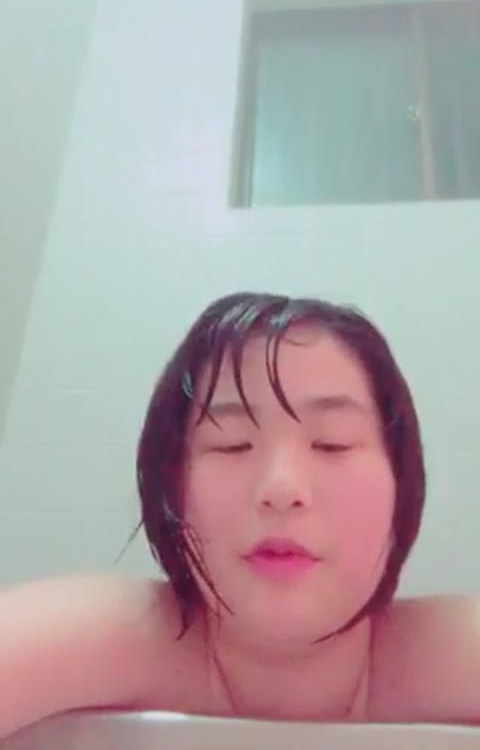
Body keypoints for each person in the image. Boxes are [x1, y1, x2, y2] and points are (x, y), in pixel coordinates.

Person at [1, 291, 480, 739]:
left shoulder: (456, 652)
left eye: (331, 443)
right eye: (231, 445)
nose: (281, 488)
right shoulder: (104, 634)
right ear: (171, 484)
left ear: (402, 482)